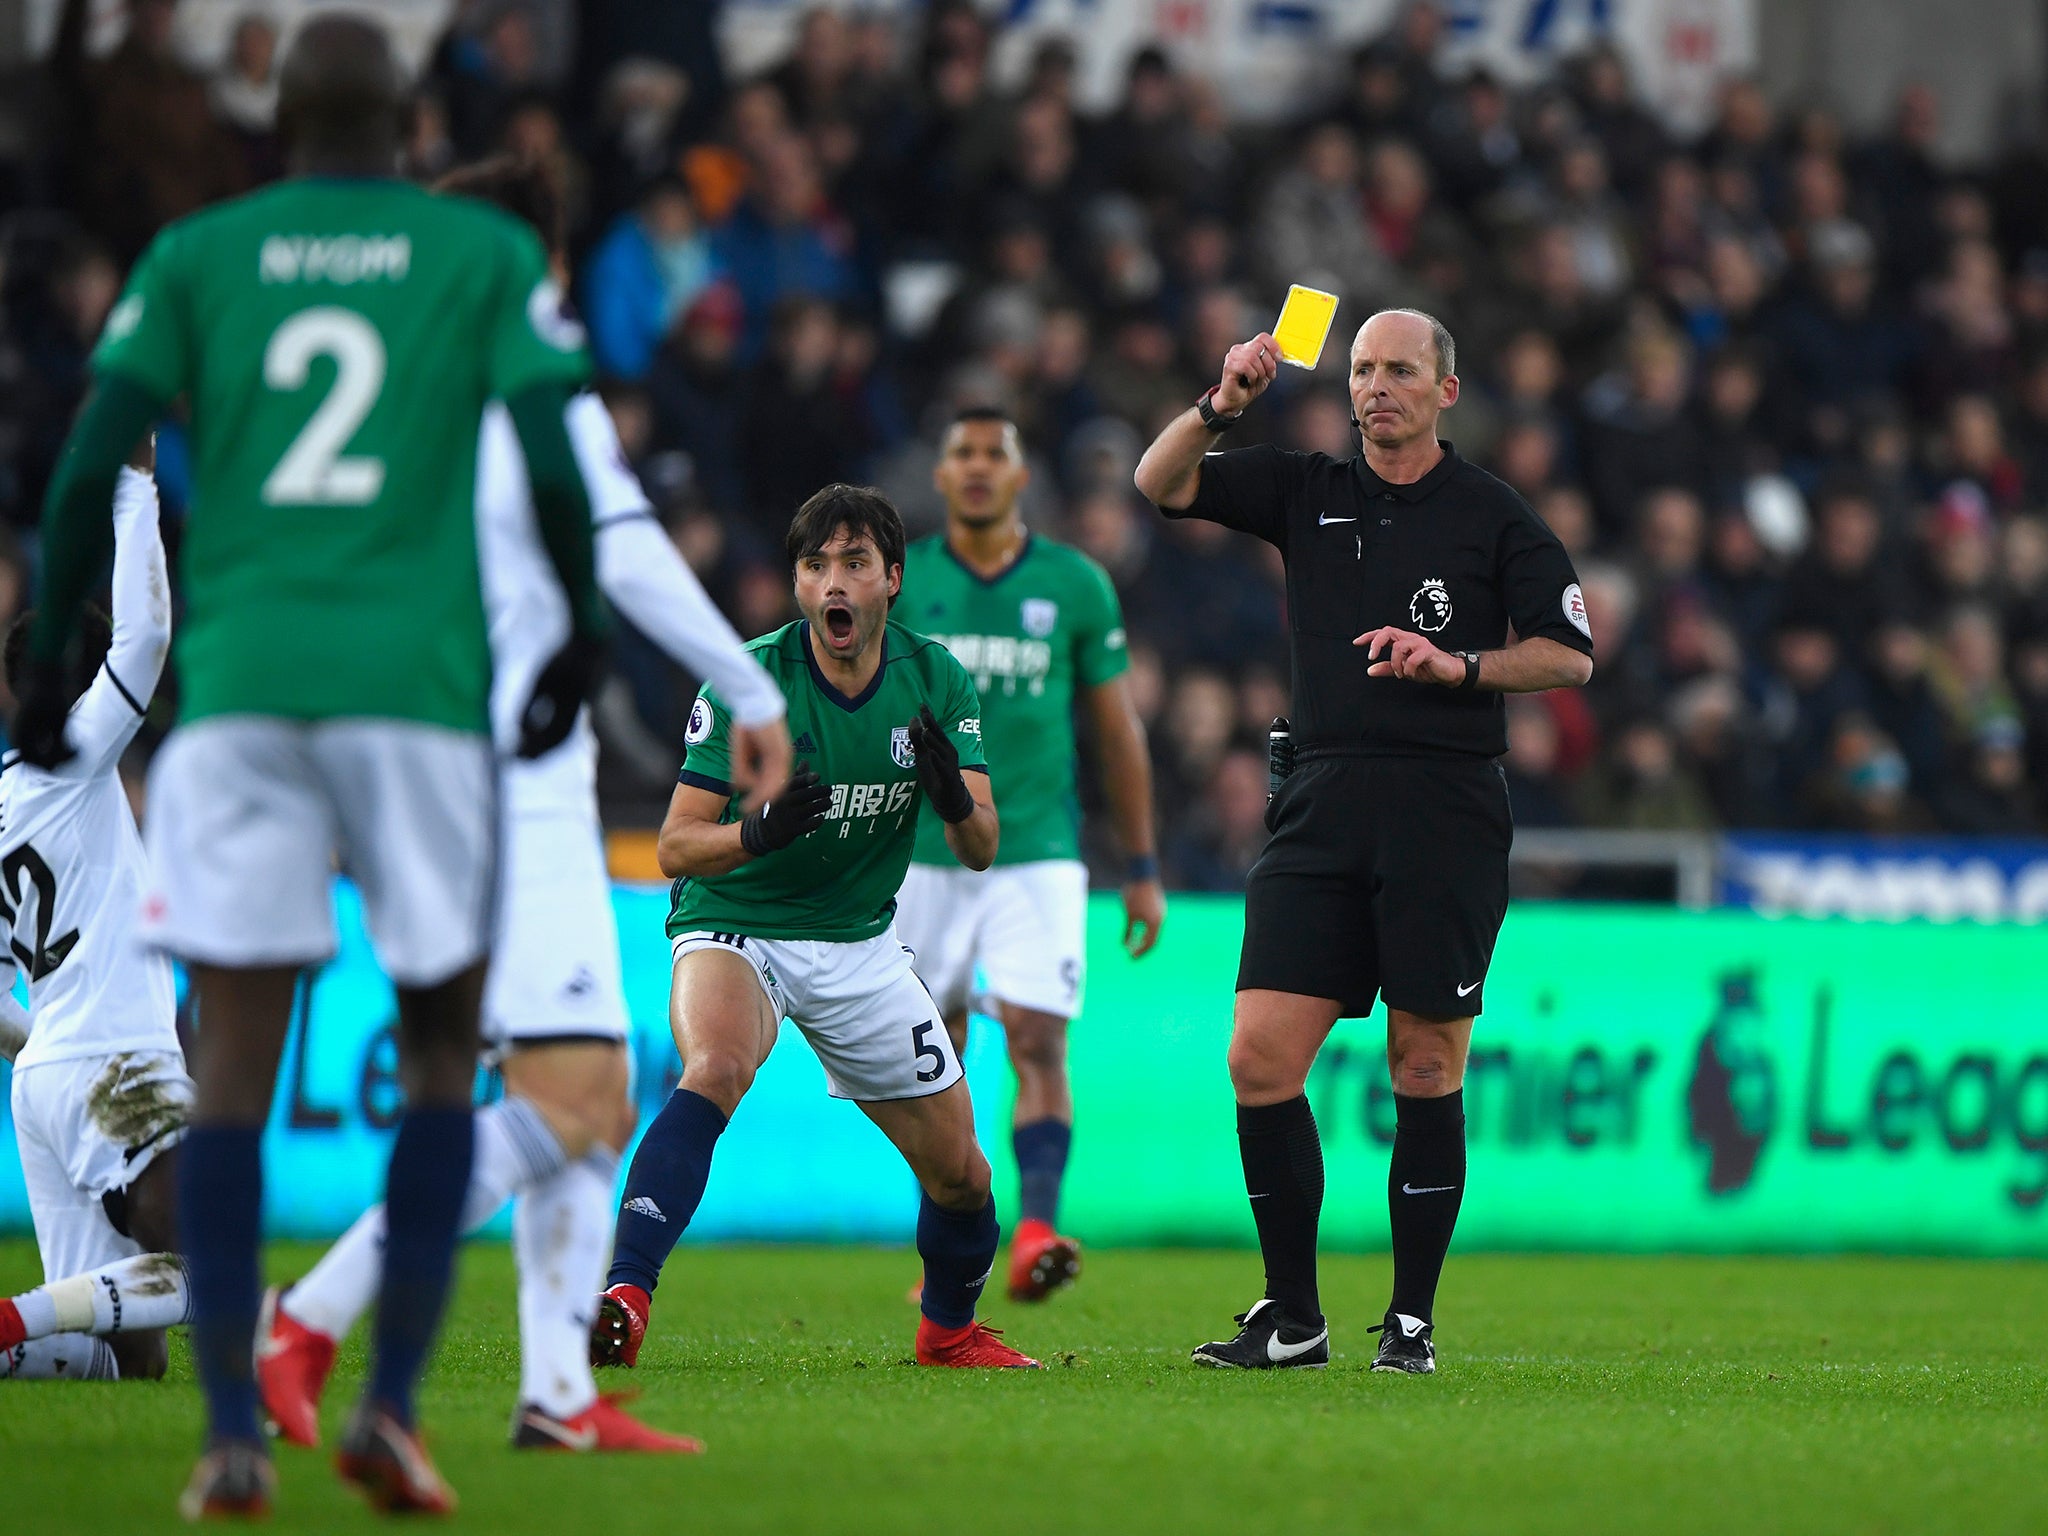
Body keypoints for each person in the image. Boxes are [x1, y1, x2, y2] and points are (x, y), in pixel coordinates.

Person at [23, 17, 607, 1517]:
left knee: (225, 1076)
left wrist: (38, 662)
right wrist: (577, 652)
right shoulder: (474, 257)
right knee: (434, 1058)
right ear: (408, 121)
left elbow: (93, 454)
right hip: (412, 696)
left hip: (241, 697)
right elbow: (554, 459)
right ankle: (390, 1411)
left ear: (278, 119)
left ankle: (228, 1432)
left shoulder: (201, 254)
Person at [253, 155, 792, 1458]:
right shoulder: (523, 362)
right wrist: (748, 690)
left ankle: (555, 1391)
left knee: (569, 1073)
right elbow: (622, 548)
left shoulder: (402, 391)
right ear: (544, 260)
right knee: (576, 1104)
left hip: (421, 769)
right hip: (508, 781)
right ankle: (309, 1317)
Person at [1133, 310, 1594, 1373]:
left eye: (1397, 370)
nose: (1374, 386)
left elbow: (1566, 655)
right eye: (1360, 370)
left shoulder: (1493, 516)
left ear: (1445, 389)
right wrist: (1219, 404)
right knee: (1257, 1056)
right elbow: (1156, 485)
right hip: (1320, 800)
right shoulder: (1308, 489)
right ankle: (1291, 1316)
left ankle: (1411, 1322)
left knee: (1422, 1061)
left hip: (1443, 806)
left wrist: (1459, 667)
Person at [589, 484, 1040, 1372]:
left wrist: (952, 795)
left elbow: (981, 844)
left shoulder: (936, 677)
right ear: (798, 585)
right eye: (815, 564)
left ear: (891, 581)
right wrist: (756, 833)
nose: (833, 582)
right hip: (739, 921)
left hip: (859, 942)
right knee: (716, 1067)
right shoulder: (750, 682)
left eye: (854, 563)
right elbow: (677, 846)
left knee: (965, 1177)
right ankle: (624, 1296)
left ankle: (948, 1331)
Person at [893, 406, 1163, 1301]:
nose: (975, 468)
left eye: (993, 455)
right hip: (922, 853)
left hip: (1039, 847)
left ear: (1020, 477)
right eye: (960, 453)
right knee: (934, 1058)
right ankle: (953, 1246)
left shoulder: (1075, 585)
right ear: (939, 475)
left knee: (1041, 1038)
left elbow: (1117, 731)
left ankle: (1038, 1229)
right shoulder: (904, 583)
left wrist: (1143, 866)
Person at [0, 437, 186, 1385]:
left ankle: (26, 1332)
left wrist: (46, 1041)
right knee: (206, 1245)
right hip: (117, 1049)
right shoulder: (72, 750)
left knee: (114, 1363)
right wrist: (134, 486)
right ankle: (9, 1317)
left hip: (41, 1077)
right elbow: (145, 641)